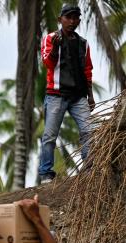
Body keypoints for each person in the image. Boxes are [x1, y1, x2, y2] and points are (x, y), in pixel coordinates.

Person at [38, 3, 95, 184]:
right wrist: (55, 48)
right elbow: (48, 63)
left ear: (78, 20)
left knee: (88, 132)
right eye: (68, 17)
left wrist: (90, 96)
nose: (72, 21)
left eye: (75, 18)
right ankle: (46, 173)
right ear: (60, 19)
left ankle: (88, 170)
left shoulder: (83, 44)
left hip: (78, 96)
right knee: (49, 136)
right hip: (56, 95)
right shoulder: (50, 39)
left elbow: (87, 70)